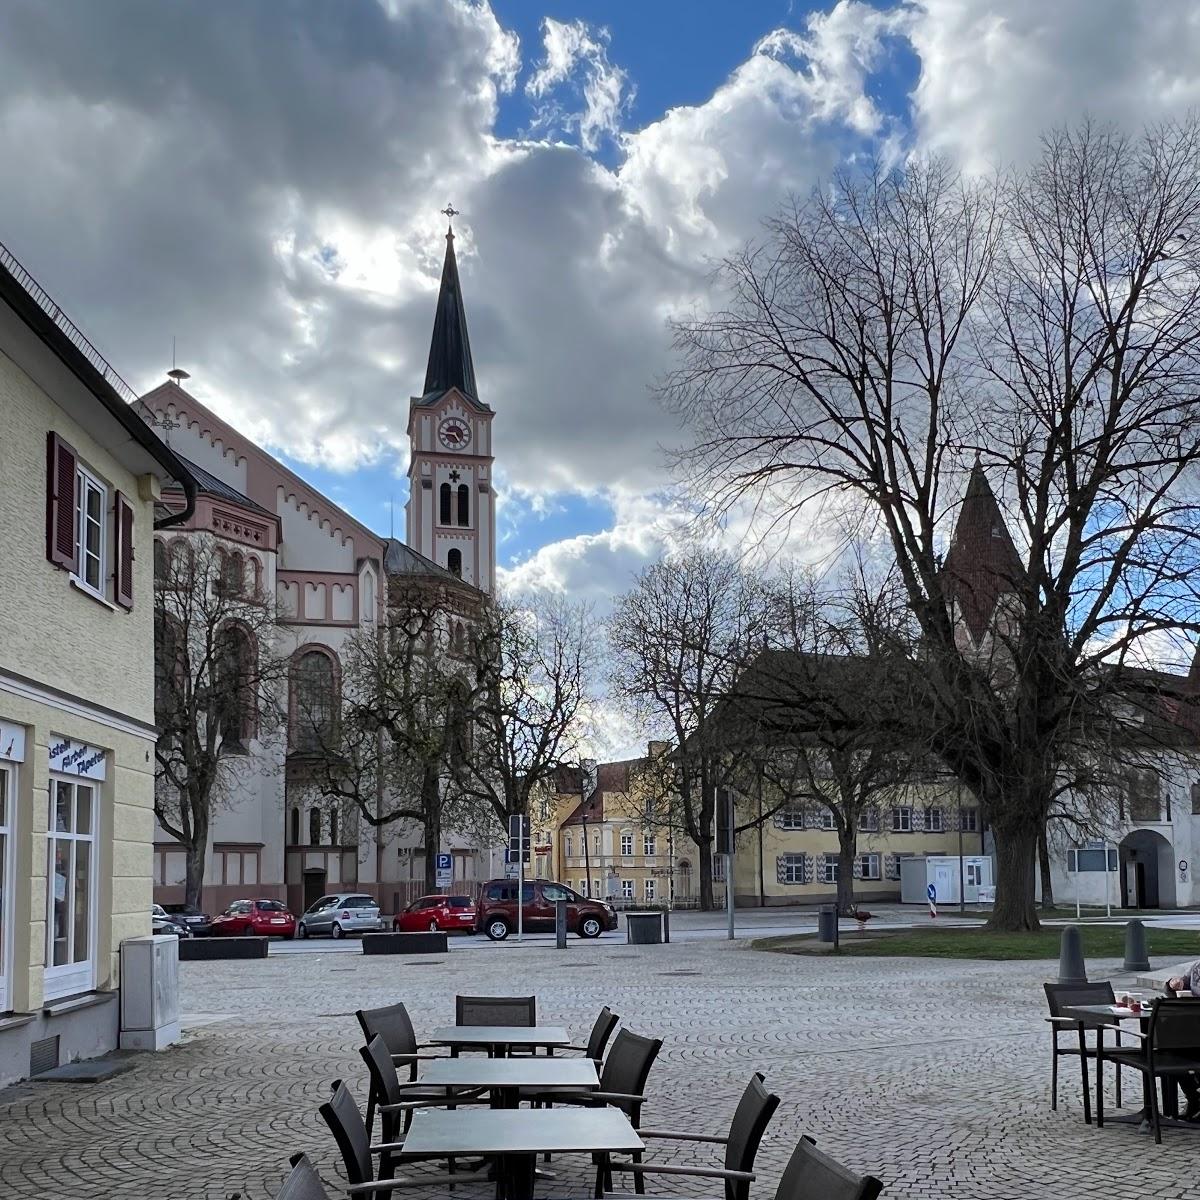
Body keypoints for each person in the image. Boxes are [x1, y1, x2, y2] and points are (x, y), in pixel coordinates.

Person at [1165, 960, 1200, 1121]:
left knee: (1173, 1048)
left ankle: (1195, 1099)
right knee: (1169, 1048)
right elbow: (1178, 988)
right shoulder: (1197, 967)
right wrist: (1173, 984)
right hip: (1192, 1031)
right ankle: (1194, 1098)